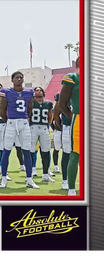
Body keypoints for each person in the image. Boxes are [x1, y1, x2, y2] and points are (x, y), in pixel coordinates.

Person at [0, 71, 39, 189]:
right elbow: (2, 109)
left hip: (24, 122)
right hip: (11, 122)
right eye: (17, 77)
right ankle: (4, 178)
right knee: (7, 150)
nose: (19, 79)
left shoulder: (29, 92)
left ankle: (29, 179)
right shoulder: (6, 92)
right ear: (12, 80)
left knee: (27, 150)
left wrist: (25, 118)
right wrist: (8, 120)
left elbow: (30, 107)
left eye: (21, 77)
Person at [59, 56, 80, 196]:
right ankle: (71, 188)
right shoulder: (72, 77)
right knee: (75, 154)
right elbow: (62, 104)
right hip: (79, 118)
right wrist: (74, 117)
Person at [29, 86, 55, 182]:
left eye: (40, 90)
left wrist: (48, 123)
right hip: (33, 127)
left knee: (46, 151)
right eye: (36, 90)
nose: (38, 91)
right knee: (31, 151)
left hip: (44, 128)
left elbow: (50, 115)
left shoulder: (48, 103)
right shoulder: (31, 102)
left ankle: (45, 174)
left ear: (43, 92)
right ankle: (31, 171)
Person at [53, 92, 71, 190]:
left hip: (82, 126)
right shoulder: (63, 96)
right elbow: (56, 115)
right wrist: (61, 127)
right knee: (66, 153)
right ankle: (65, 180)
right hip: (67, 127)